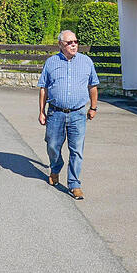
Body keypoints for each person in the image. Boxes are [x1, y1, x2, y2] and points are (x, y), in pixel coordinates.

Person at [37, 30, 99, 200]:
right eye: (69, 42)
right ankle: (55, 168)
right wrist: (41, 111)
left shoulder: (86, 62)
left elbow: (93, 86)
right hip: (55, 113)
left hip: (78, 114)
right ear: (60, 45)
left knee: (77, 150)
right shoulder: (51, 63)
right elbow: (44, 89)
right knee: (52, 146)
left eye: (76, 42)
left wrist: (93, 108)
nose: (73, 45)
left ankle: (74, 184)